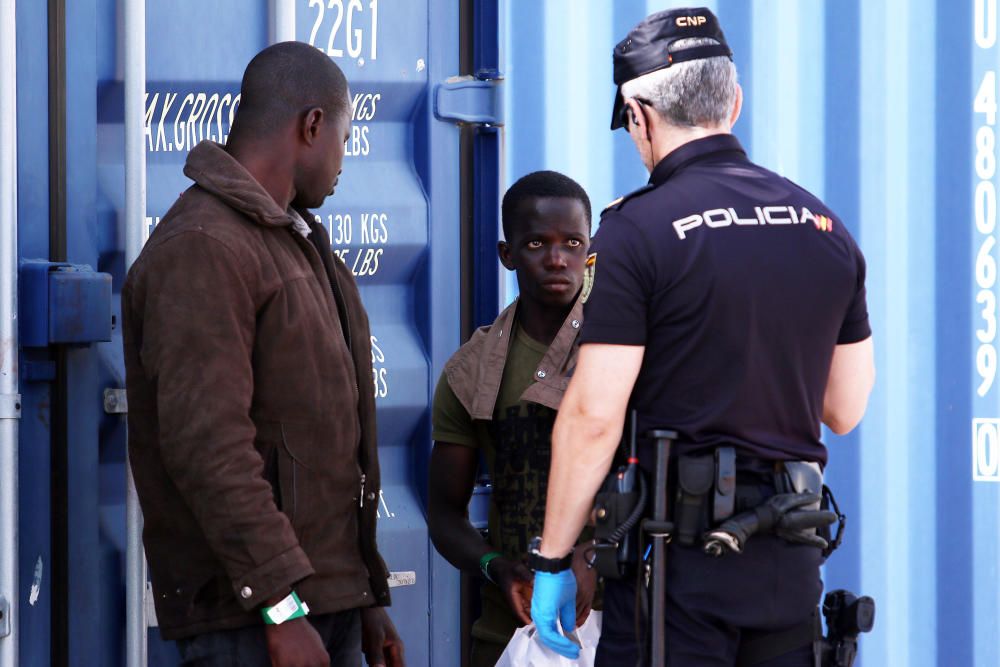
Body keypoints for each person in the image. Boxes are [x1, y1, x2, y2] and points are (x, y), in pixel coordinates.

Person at [528, 7, 876, 666]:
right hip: (791, 564)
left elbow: (593, 415)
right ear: (734, 102)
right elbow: (846, 406)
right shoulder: (825, 229)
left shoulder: (636, 232)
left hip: (678, 577)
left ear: (639, 114)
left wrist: (551, 557)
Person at [122, 42, 404, 667]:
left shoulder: (297, 243)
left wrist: (365, 599)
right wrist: (279, 605)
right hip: (250, 622)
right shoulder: (203, 248)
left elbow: (324, 443)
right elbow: (207, 445)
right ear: (311, 125)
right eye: (345, 136)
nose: (344, 159)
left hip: (321, 608)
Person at [427, 171, 598, 667]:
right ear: (507, 255)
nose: (556, 258)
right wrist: (496, 566)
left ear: (589, 250)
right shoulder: (473, 370)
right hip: (510, 635)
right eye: (536, 243)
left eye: (571, 242)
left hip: (618, 626)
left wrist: (591, 556)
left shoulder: (621, 351)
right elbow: (444, 514)